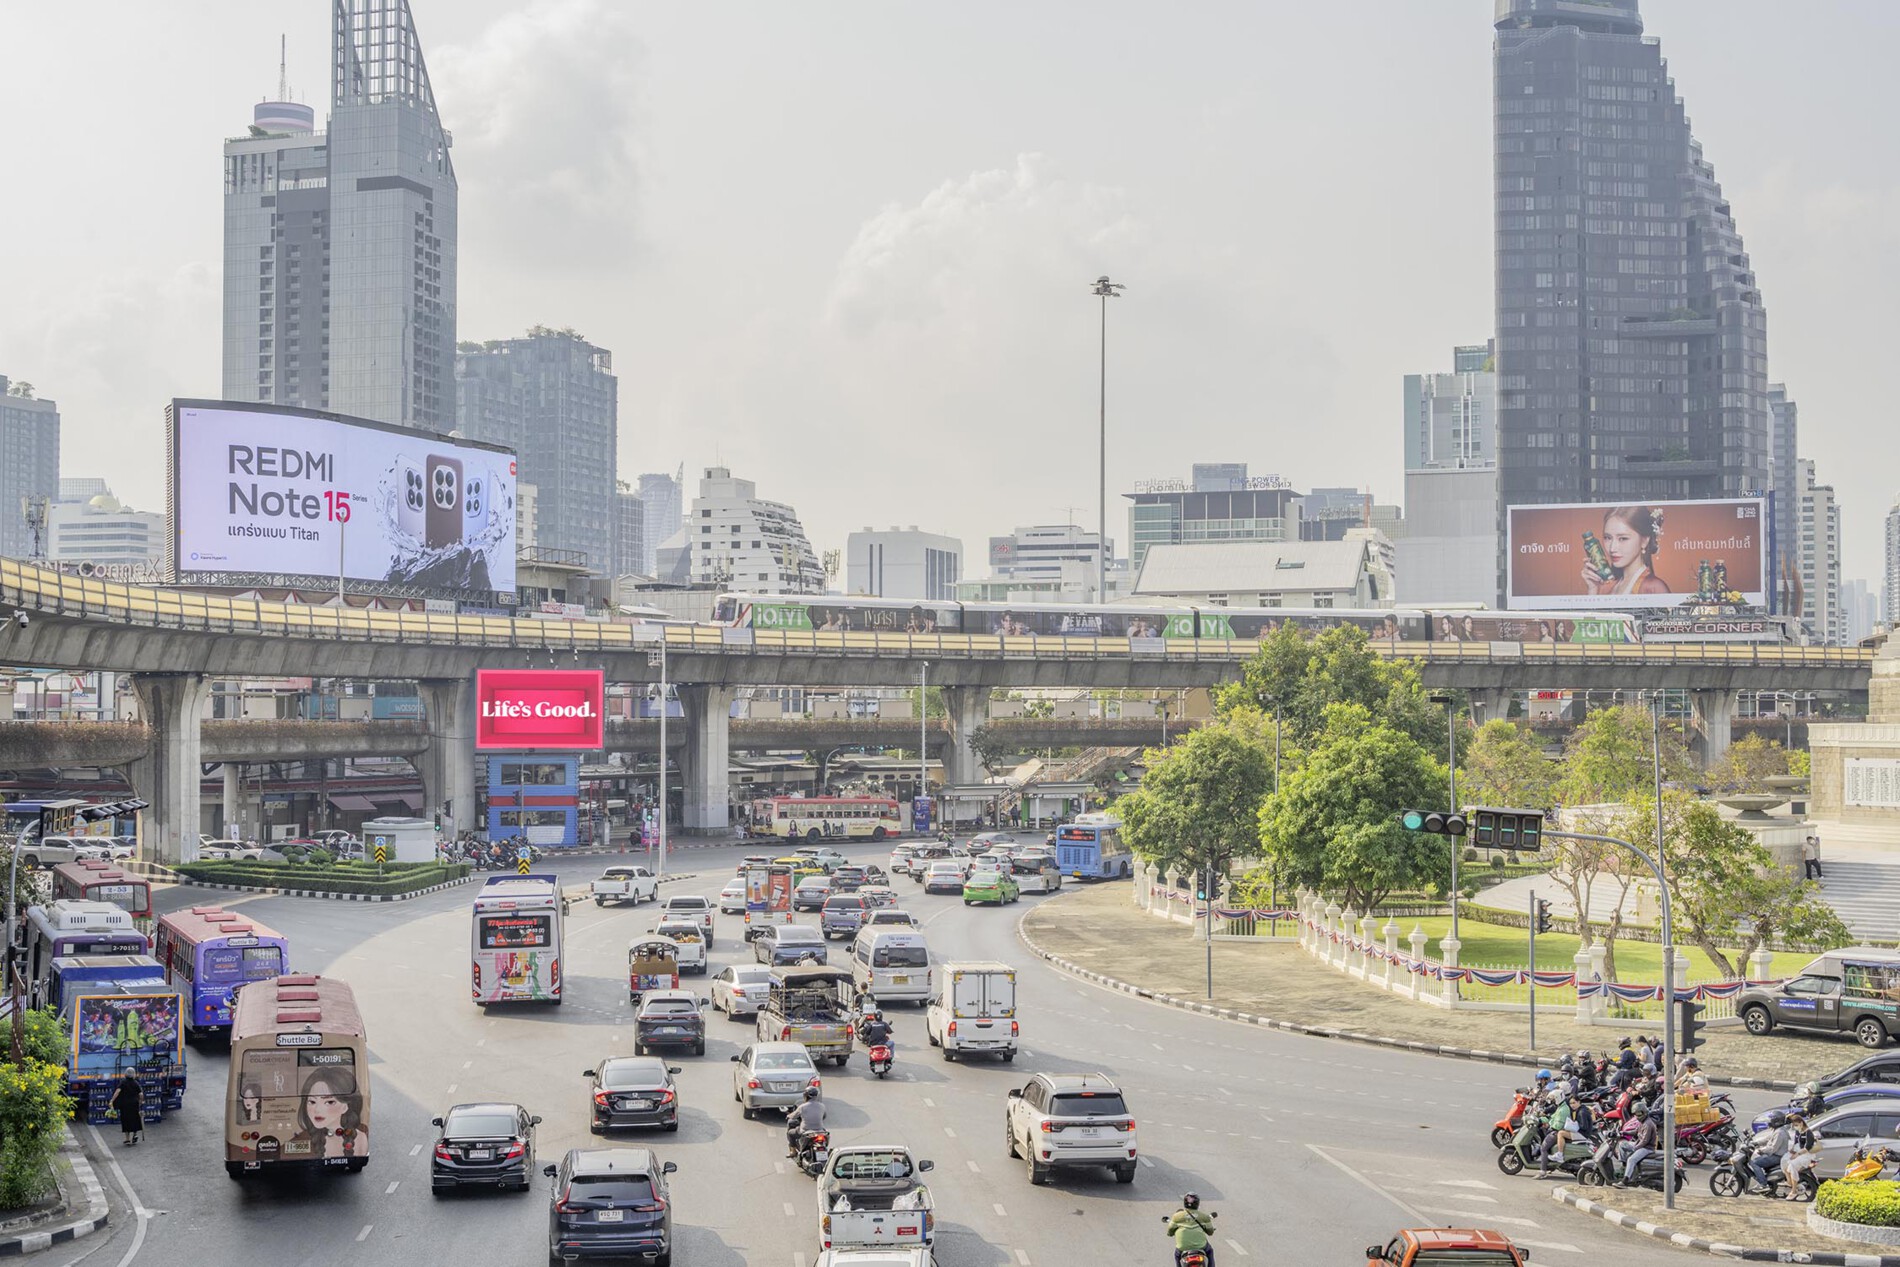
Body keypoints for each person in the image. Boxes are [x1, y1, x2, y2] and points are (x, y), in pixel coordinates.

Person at [1581, 506, 1671, 596]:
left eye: (1623, 538)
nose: (1612, 548)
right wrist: (1593, 589)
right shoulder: (1607, 587)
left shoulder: (1654, 587)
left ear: (1644, 541)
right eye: (1607, 538)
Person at [297, 1067, 368, 1159]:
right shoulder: (301, 1140)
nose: (317, 1109)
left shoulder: (360, 1139)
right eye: (312, 1102)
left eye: (329, 1102)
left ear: (345, 1106)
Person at [1165, 1193, 1216, 1267]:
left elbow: (1170, 1231)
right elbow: (1210, 1232)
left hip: (1182, 1247)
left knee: (1177, 1255)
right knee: (1209, 1251)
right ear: (1197, 1203)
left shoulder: (1176, 1216)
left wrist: (1171, 1233)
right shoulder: (1204, 1216)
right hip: (1201, 1246)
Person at [1749, 1111, 1792, 1195]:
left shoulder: (1780, 1133)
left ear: (1777, 1121)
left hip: (1777, 1157)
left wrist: (1761, 1150)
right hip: (1775, 1155)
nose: (1770, 1121)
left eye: (1772, 1119)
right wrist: (1755, 1143)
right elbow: (1767, 1139)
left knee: (1754, 1162)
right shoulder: (1777, 1130)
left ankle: (1763, 1184)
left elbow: (1773, 1148)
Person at [1617, 1106, 1660, 1187]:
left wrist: (1635, 1148)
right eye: (1636, 1114)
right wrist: (1624, 1132)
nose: (1637, 1116)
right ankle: (1624, 1166)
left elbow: (1644, 1141)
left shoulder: (1648, 1124)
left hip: (1647, 1148)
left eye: (1639, 1114)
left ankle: (1625, 1181)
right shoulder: (1642, 1122)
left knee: (1631, 1159)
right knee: (1622, 1144)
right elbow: (1636, 1131)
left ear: (1644, 1113)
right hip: (1639, 1144)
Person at [1782, 1113, 1817, 1200]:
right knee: (1784, 1161)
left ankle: (1793, 1191)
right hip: (1798, 1152)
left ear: (1801, 1123)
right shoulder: (1798, 1132)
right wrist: (1792, 1151)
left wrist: (1797, 1154)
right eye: (1794, 1125)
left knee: (1792, 1165)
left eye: (1796, 1125)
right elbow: (1796, 1143)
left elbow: (1807, 1147)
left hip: (1806, 1155)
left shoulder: (1808, 1133)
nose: (1795, 1127)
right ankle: (1790, 1182)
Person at [786, 1086, 828, 1159]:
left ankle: (793, 1152)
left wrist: (788, 1115)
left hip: (805, 1131)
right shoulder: (822, 1106)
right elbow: (824, 1116)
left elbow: (793, 1116)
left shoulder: (802, 1107)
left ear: (806, 1096)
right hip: (820, 1130)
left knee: (790, 1133)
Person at [112, 1071, 143, 1146]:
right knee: (135, 1119)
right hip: (134, 1104)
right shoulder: (136, 1083)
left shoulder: (123, 1082)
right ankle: (135, 1134)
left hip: (125, 1104)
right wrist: (140, 1101)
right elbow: (141, 1094)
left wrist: (112, 1100)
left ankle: (127, 1139)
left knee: (125, 1120)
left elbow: (117, 1091)